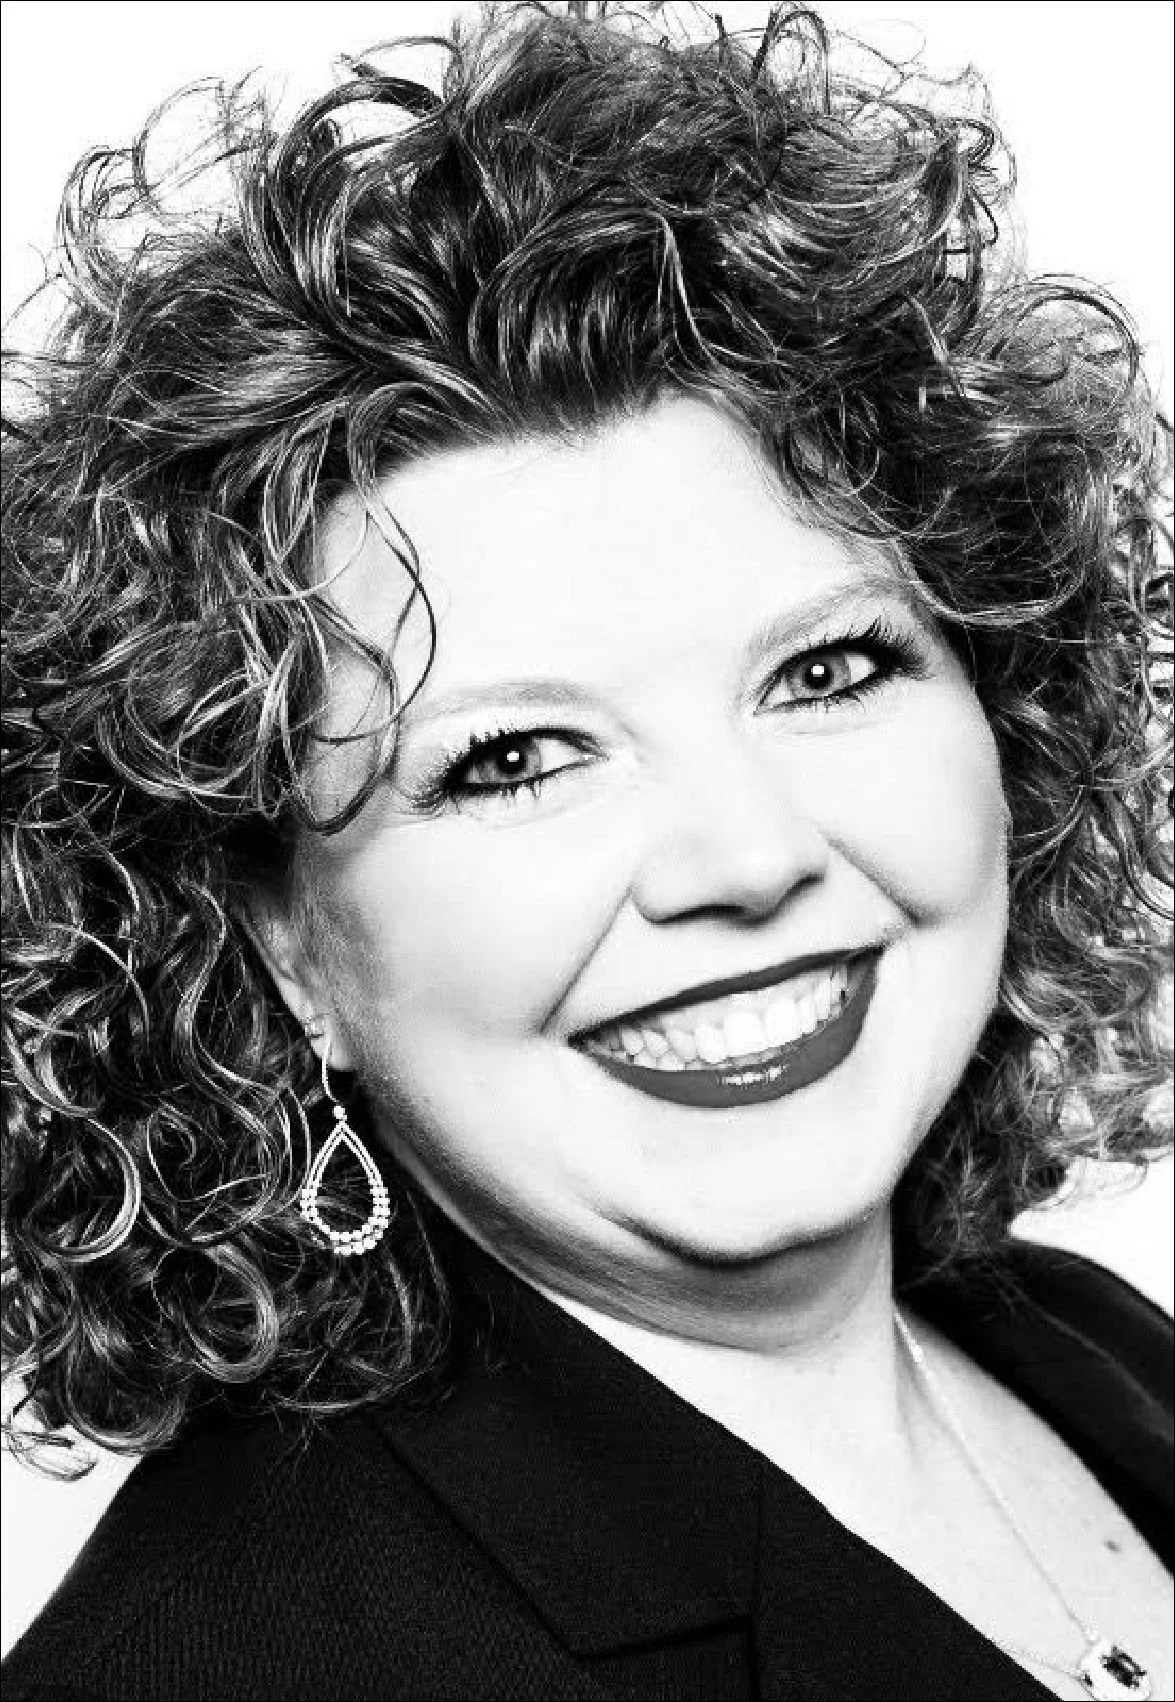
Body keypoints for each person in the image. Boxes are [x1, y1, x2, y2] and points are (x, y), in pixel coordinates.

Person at [2, 3, 1171, 1697]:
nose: (746, 853)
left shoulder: (1077, 1347)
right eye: (515, 759)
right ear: (275, 942)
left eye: (826, 670)